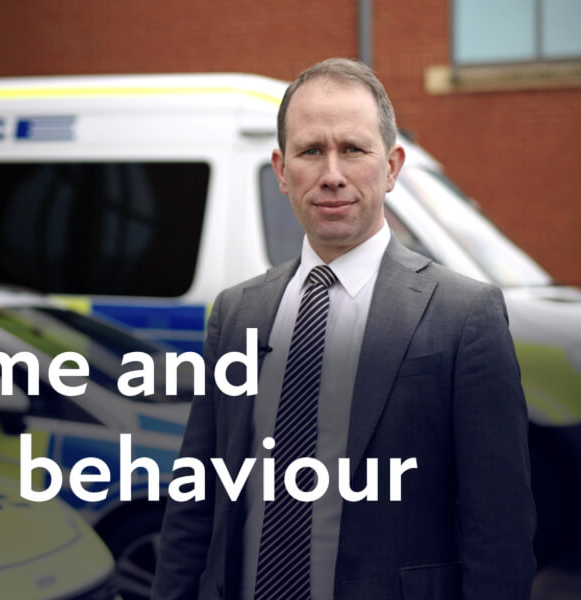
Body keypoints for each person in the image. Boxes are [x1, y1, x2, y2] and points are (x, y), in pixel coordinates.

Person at [152, 58, 535, 600]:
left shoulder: (464, 316)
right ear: (282, 171)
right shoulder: (237, 314)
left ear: (392, 166)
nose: (332, 173)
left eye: (353, 149)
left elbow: (499, 531)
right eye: (311, 151)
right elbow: (195, 504)